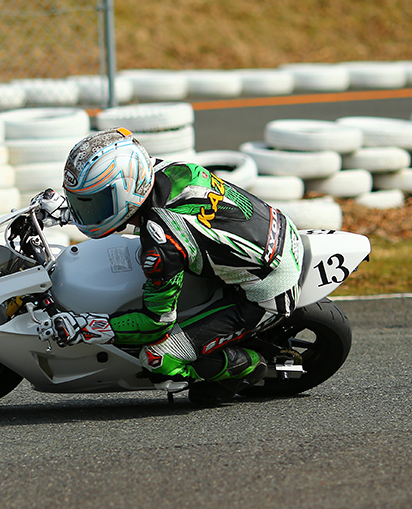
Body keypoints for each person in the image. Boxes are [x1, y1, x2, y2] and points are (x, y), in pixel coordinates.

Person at [32, 127, 303, 405]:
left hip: (269, 288)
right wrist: (67, 212)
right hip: (275, 229)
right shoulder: (159, 170)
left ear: (125, 192)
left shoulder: (162, 247)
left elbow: (156, 323)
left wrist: (86, 326)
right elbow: (138, 212)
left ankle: (247, 366)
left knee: (158, 358)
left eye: (96, 203)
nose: (87, 211)